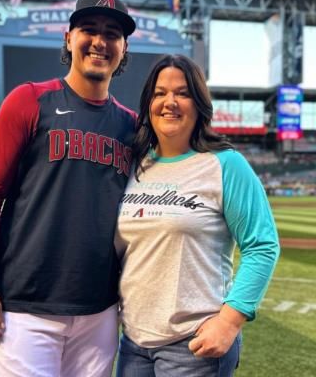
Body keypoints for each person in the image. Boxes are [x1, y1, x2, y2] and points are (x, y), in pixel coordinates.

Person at [0, 0, 137, 377]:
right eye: (89, 29)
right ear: (68, 38)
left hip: (100, 309)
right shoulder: (29, 101)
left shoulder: (133, 126)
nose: (100, 41)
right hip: (26, 306)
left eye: (112, 33)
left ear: (124, 48)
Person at [114, 54, 280, 377]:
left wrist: (230, 321)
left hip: (194, 345)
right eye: (160, 93)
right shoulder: (135, 165)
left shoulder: (225, 164)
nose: (169, 102)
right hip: (134, 343)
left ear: (199, 102)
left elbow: (262, 245)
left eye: (183, 93)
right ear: (148, 102)